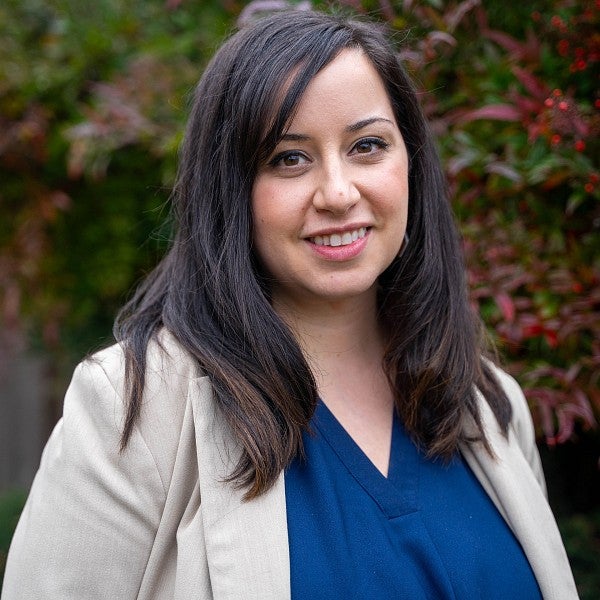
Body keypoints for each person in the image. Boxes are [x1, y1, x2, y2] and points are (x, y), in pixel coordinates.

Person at [2, 9, 578, 600]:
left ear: (411, 163)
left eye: (368, 145)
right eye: (289, 158)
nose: (337, 192)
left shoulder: (489, 405)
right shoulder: (135, 408)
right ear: (231, 190)